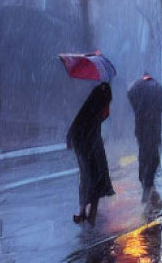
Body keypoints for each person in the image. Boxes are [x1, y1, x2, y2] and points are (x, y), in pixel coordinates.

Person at [66, 82, 115, 226]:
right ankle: (89, 215)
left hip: (87, 144)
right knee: (95, 179)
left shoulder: (90, 106)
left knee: (88, 178)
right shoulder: (95, 108)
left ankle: (84, 213)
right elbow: (92, 124)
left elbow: (81, 124)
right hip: (89, 145)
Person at [127, 72, 162, 202]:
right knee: (153, 157)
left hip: (142, 128)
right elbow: (161, 108)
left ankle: (145, 182)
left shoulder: (136, 91)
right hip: (152, 128)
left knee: (144, 154)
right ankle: (147, 183)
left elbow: (131, 99)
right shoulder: (157, 90)